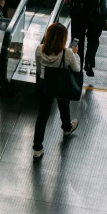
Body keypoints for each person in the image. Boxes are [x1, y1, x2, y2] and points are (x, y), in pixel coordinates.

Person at [33, 23, 80, 158]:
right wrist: (76, 54)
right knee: (64, 104)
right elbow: (77, 70)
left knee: (42, 116)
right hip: (61, 84)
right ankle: (66, 127)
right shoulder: (68, 53)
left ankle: (37, 148)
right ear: (63, 39)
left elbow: (38, 69)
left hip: (44, 85)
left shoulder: (39, 49)